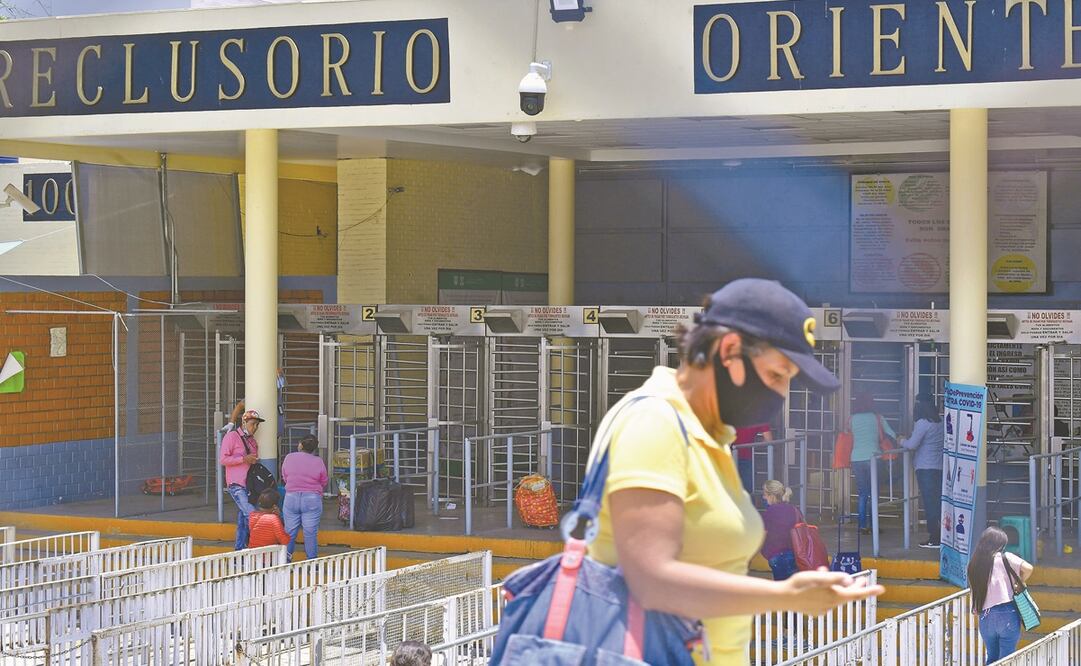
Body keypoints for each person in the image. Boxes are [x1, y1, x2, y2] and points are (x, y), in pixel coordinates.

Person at [585, 279, 883, 665]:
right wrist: (786, 595)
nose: (781, 393)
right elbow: (649, 580)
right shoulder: (656, 422)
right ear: (729, 351)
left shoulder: (713, 438)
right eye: (777, 375)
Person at [968, 527, 1034, 664]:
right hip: (1007, 612)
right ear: (1000, 545)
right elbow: (1029, 568)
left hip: (985, 616)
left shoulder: (974, 564)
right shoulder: (1005, 557)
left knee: (992, 658)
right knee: (1006, 659)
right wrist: (1019, 582)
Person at [900, 393, 945, 548]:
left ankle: (934, 538)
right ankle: (942, 535)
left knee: (930, 504)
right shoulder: (941, 422)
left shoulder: (922, 423)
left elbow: (912, 445)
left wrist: (901, 440)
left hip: (925, 468)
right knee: (938, 503)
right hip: (939, 467)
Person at [849, 393, 895, 534]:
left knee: (862, 494)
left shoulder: (852, 419)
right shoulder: (877, 417)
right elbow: (891, 433)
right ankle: (873, 525)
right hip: (873, 458)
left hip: (856, 458)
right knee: (874, 493)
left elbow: (847, 435)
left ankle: (862, 526)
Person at [219, 409, 265, 550]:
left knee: (243, 519)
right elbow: (223, 459)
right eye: (253, 424)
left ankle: (240, 550)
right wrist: (243, 459)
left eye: (257, 425)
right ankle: (257, 546)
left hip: (250, 485)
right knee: (252, 514)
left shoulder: (252, 441)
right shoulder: (232, 437)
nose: (255, 427)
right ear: (244, 423)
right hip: (237, 484)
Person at [282, 434, 329, 561]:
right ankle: (311, 562)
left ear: (301, 445)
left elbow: (285, 477)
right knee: (310, 533)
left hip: (291, 498)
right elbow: (324, 481)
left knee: (289, 533)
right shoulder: (318, 461)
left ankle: (285, 560)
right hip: (312, 500)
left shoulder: (289, 457)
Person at [760, 480, 800, 581]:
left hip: (777, 555)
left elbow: (762, 535)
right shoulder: (793, 509)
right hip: (794, 554)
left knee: (781, 587)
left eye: (765, 494)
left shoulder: (770, 512)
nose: (763, 497)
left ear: (771, 496)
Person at [734, 423, 773, 496]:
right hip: (747, 457)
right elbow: (769, 439)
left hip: (726, 457)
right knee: (747, 491)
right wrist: (755, 446)